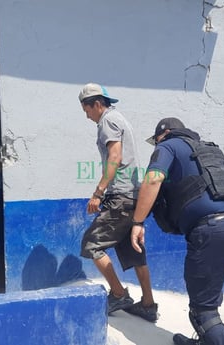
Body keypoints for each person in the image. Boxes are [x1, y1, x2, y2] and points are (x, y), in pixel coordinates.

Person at [130, 117, 224, 344]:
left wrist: (138, 222)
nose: (156, 145)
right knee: (207, 294)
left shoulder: (167, 145)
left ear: (162, 135)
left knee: (203, 312)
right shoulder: (205, 149)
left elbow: (153, 180)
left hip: (211, 230)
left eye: (155, 141)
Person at [78, 83, 158, 322]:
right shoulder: (119, 119)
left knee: (92, 244)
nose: (87, 116)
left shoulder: (107, 121)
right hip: (133, 196)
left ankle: (119, 293)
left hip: (120, 197)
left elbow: (115, 156)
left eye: (87, 110)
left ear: (97, 104)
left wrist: (98, 192)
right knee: (134, 251)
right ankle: (148, 304)